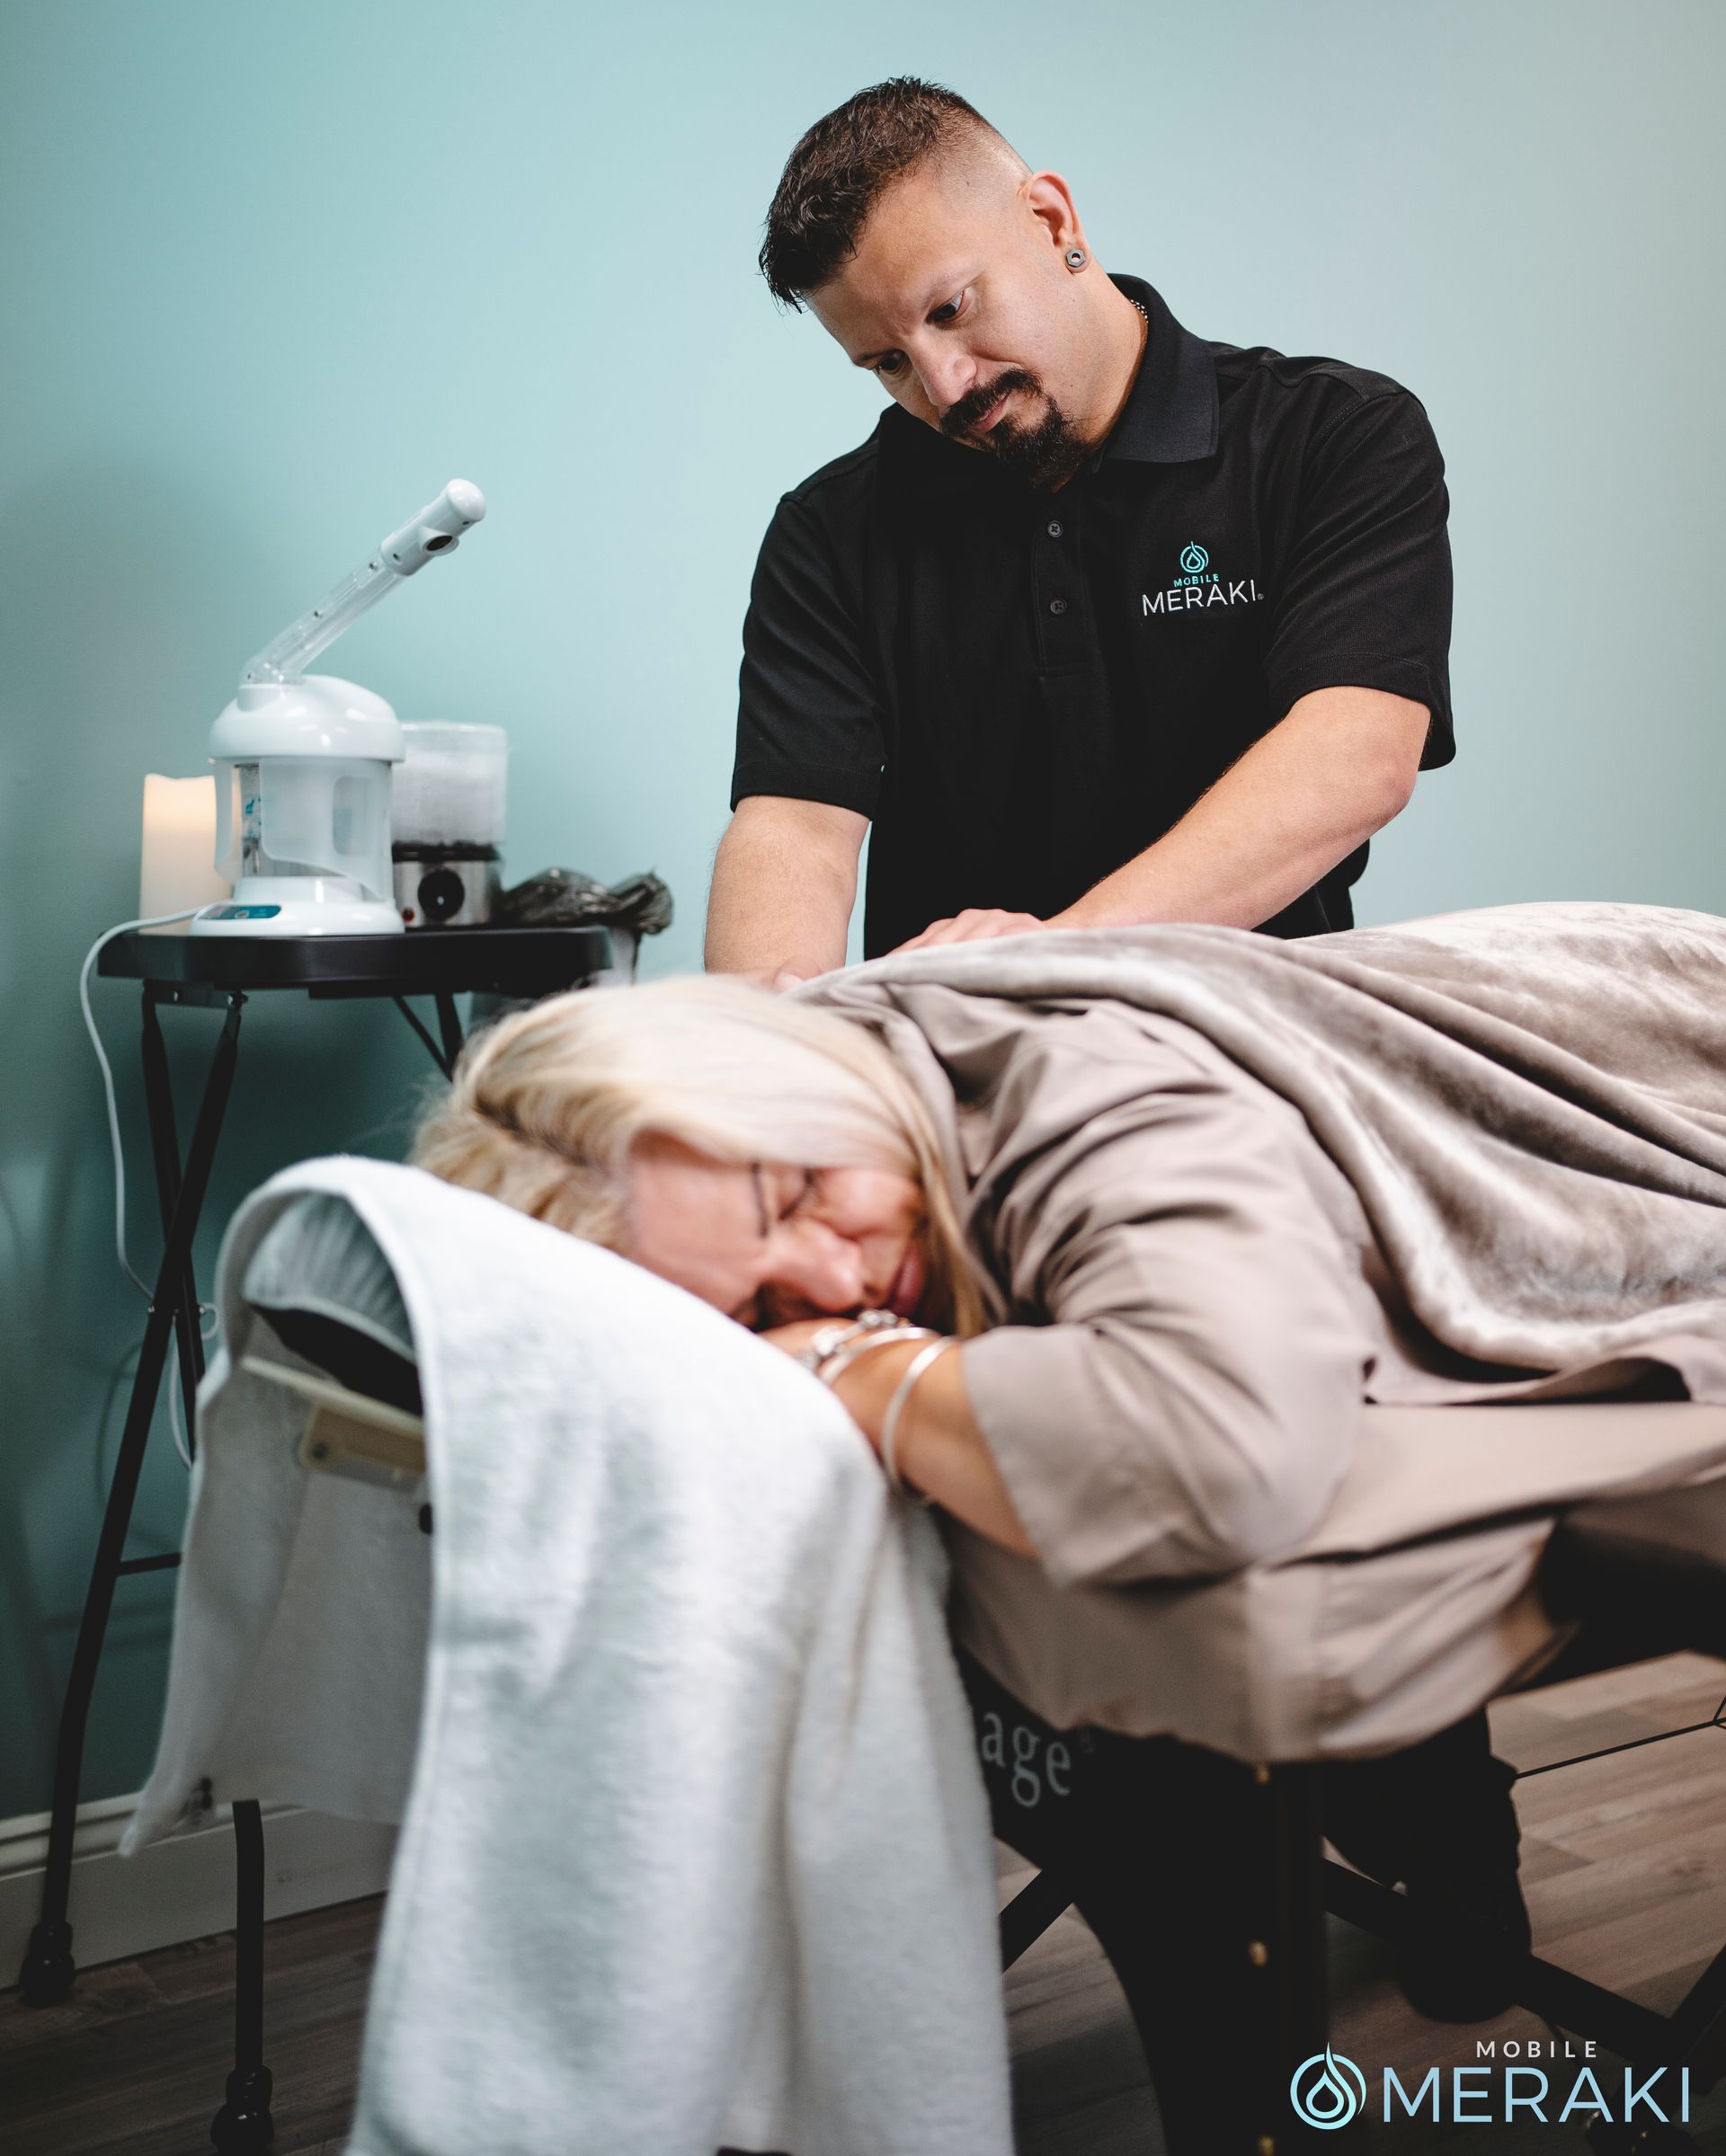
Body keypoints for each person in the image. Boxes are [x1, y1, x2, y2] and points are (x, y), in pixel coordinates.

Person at [411, 901, 1726, 2143]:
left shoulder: (1086, 1099)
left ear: (797, 1084)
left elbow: (1216, 1442)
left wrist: (854, 1367)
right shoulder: (831, 1114)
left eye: (800, 1197)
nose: (834, 1281)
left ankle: (1441, 1870)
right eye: (758, 1309)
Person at [707, 75, 1453, 980]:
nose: (943, 387)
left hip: (1258, 1052)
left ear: (1054, 223)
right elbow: (795, 832)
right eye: (889, 362)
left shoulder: (1332, 437)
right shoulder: (830, 533)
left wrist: (1060, 952)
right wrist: (765, 1063)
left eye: (951, 310)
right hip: (963, 1063)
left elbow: (1357, 754)